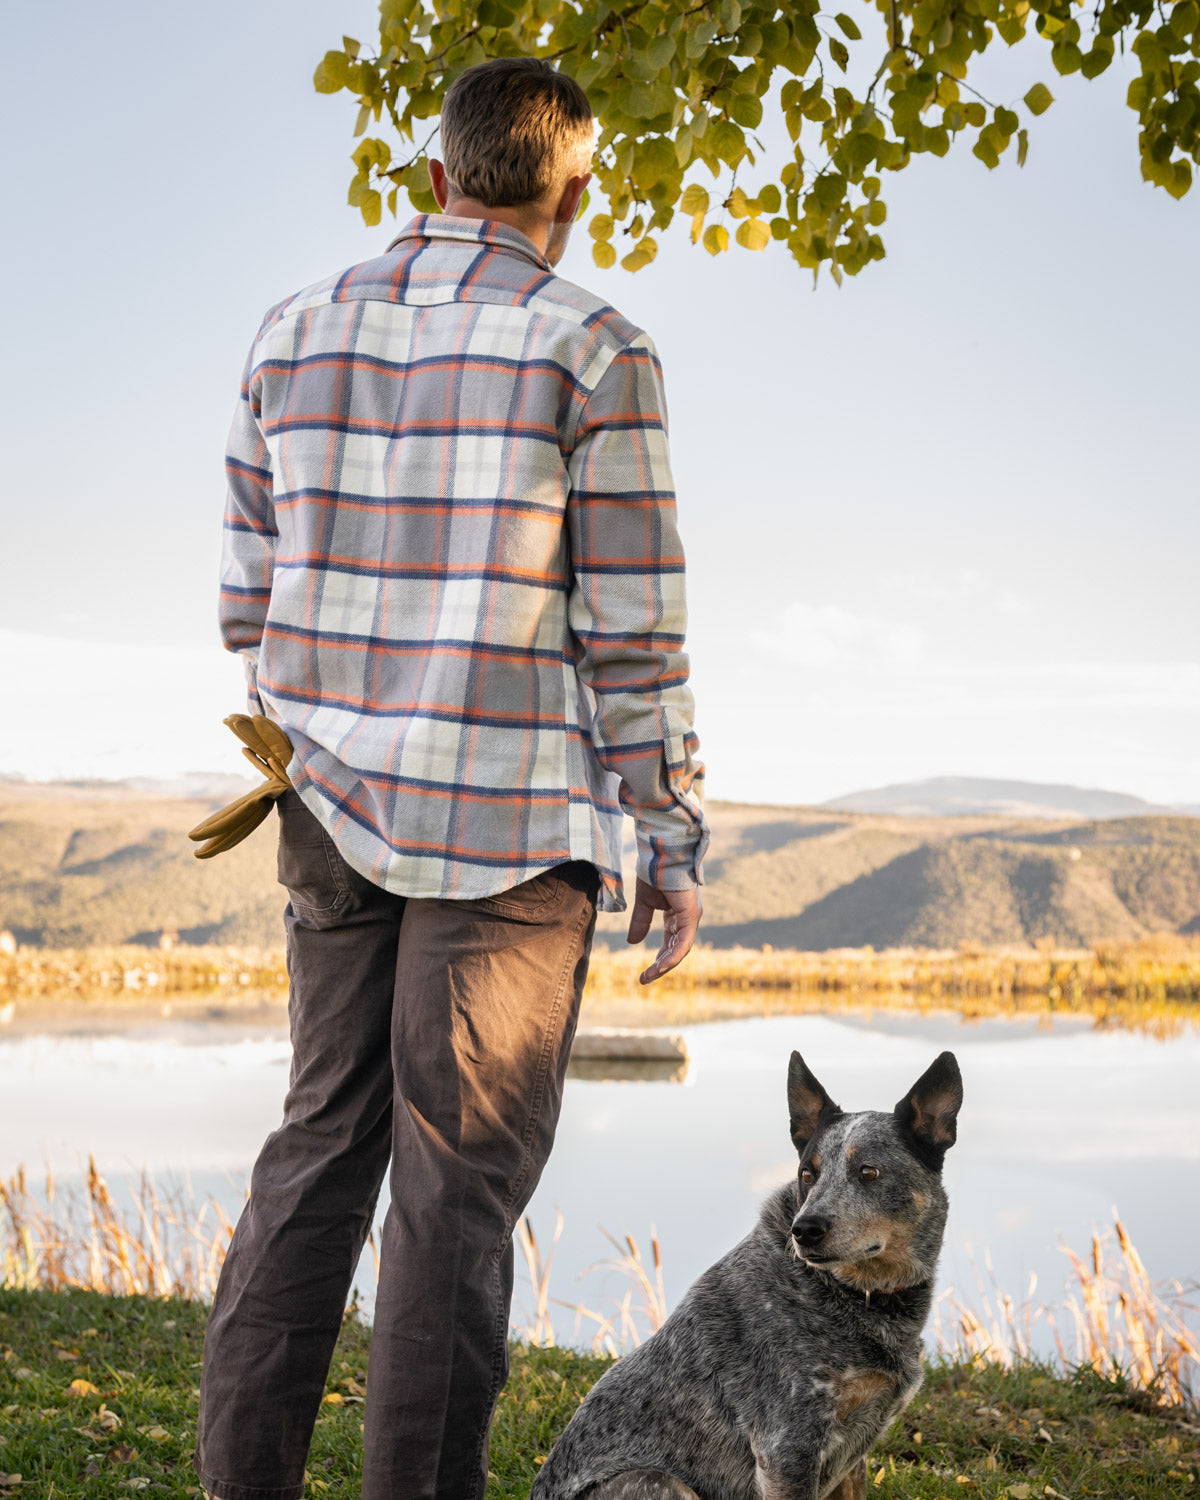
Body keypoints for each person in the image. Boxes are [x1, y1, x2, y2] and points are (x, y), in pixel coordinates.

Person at [193, 56, 707, 1500]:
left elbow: (249, 602)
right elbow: (632, 631)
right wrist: (667, 832)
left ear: (433, 181)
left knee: (316, 1155)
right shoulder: (598, 347)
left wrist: (326, 724)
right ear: (574, 191)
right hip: (509, 823)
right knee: (451, 1204)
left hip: (329, 807)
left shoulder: (290, 332)